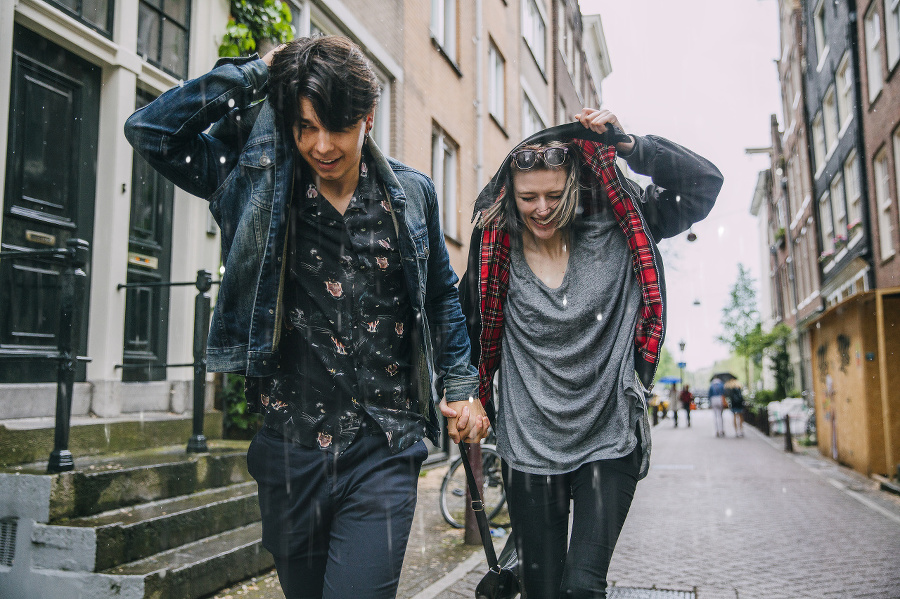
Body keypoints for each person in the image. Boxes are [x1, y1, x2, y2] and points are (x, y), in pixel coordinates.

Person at [125, 36, 486, 599]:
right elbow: (151, 131)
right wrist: (255, 73)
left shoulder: (411, 197)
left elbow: (441, 297)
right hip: (289, 452)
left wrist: (463, 386)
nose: (320, 145)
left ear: (368, 119)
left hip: (383, 449)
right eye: (304, 126)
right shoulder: (256, 183)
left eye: (337, 128)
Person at [449, 108, 723, 598]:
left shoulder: (625, 224)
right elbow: (461, 334)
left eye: (555, 195)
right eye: (528, 197)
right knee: (543, 589)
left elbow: (703, 185)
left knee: (580, 588)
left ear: (575, 187)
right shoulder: (496, 250)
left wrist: (632, 146)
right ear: (511, 196)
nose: (541, 209)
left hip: (609, 435)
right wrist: (463, 395)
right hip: (529, 445)